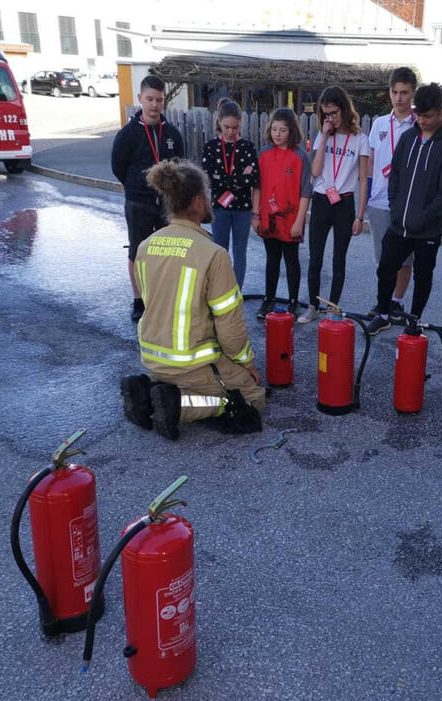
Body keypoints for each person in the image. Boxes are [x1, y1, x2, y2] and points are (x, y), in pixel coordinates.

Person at [120, 159, 265, 440]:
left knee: (202, 377)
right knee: (251, 398)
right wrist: (246, 364)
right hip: (190, 362)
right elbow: (230, 328)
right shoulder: (213, 254)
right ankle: (175, 404)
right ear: (198, 202)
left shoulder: (146, 246)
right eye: (208, 197)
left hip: (152, 356)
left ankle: (148, 388)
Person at [365, 82, 442, 335]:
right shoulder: (408, 138)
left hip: (427, 229)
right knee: (385, 267)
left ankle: (414, 319)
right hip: (399, 222)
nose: (422, 120)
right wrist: (395, 208)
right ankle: (383, 313)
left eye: (428, 116)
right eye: (419, 114)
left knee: (423, 274)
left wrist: (423, 218)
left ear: (441, 113)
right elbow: (394, 176)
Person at [111, 75, 184, 322]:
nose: (154, 105)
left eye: (159, 100)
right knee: (138, 251)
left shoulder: (172, 133)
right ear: (140, 99)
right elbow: (118, 167)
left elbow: (178, 166)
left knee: (167, 252)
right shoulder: (127, 134)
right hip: (138, 202)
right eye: (150, 99)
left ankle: (164, 297)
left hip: (167, 203)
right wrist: (135, 187)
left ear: (164, 102)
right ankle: (139, 300)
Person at [297, 86, 369, 324]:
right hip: (321, 200)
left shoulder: (360, 139)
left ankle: (333, 308)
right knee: (315, 257)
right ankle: (313, 305)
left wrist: (360, 216)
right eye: (326, 114)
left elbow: (362, 179)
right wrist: (326, 135)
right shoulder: (322, 135)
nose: (330, 118)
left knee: (339, 258)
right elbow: (315, 171)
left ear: (345, 110)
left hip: (344, 204)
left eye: (334, 113)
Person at [366, 66, 417, 320]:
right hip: (378, 199)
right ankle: (382, 301)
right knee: (381, 258)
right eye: (395, 92)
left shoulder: (418, 125)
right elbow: (372, 159)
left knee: (405, 259)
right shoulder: (379, 124)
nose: (399, 98)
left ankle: (396, 300)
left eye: (404, 92)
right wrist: (366, 194)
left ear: (412, 94)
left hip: (405, 203)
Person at [252, 108, 312, 319]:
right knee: (271, 260)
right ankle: (269, 299)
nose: (277, 134)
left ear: (292, 131)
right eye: (274, 129)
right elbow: (257, 186)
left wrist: (299, 221)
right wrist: (256, 214)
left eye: (283, 130)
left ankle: (293, 302)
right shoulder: (264, 153)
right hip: (268, 217)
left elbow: (306, 191)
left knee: (292, 261)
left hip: (291, 218)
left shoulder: (300, 156)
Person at [201, 98, 259, 289]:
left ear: (240, 123)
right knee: (220, 252)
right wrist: (240, 179)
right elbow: (208, 179)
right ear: (219, 122)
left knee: (240, 253)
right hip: (219, 209)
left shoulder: (248, 147)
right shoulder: (210, 148)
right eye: (227, 127)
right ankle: (219, 291)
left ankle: (236, 292)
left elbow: (254, 181)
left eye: (235, 127)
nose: (231, 132)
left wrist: (223, 179)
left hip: (242, 210)